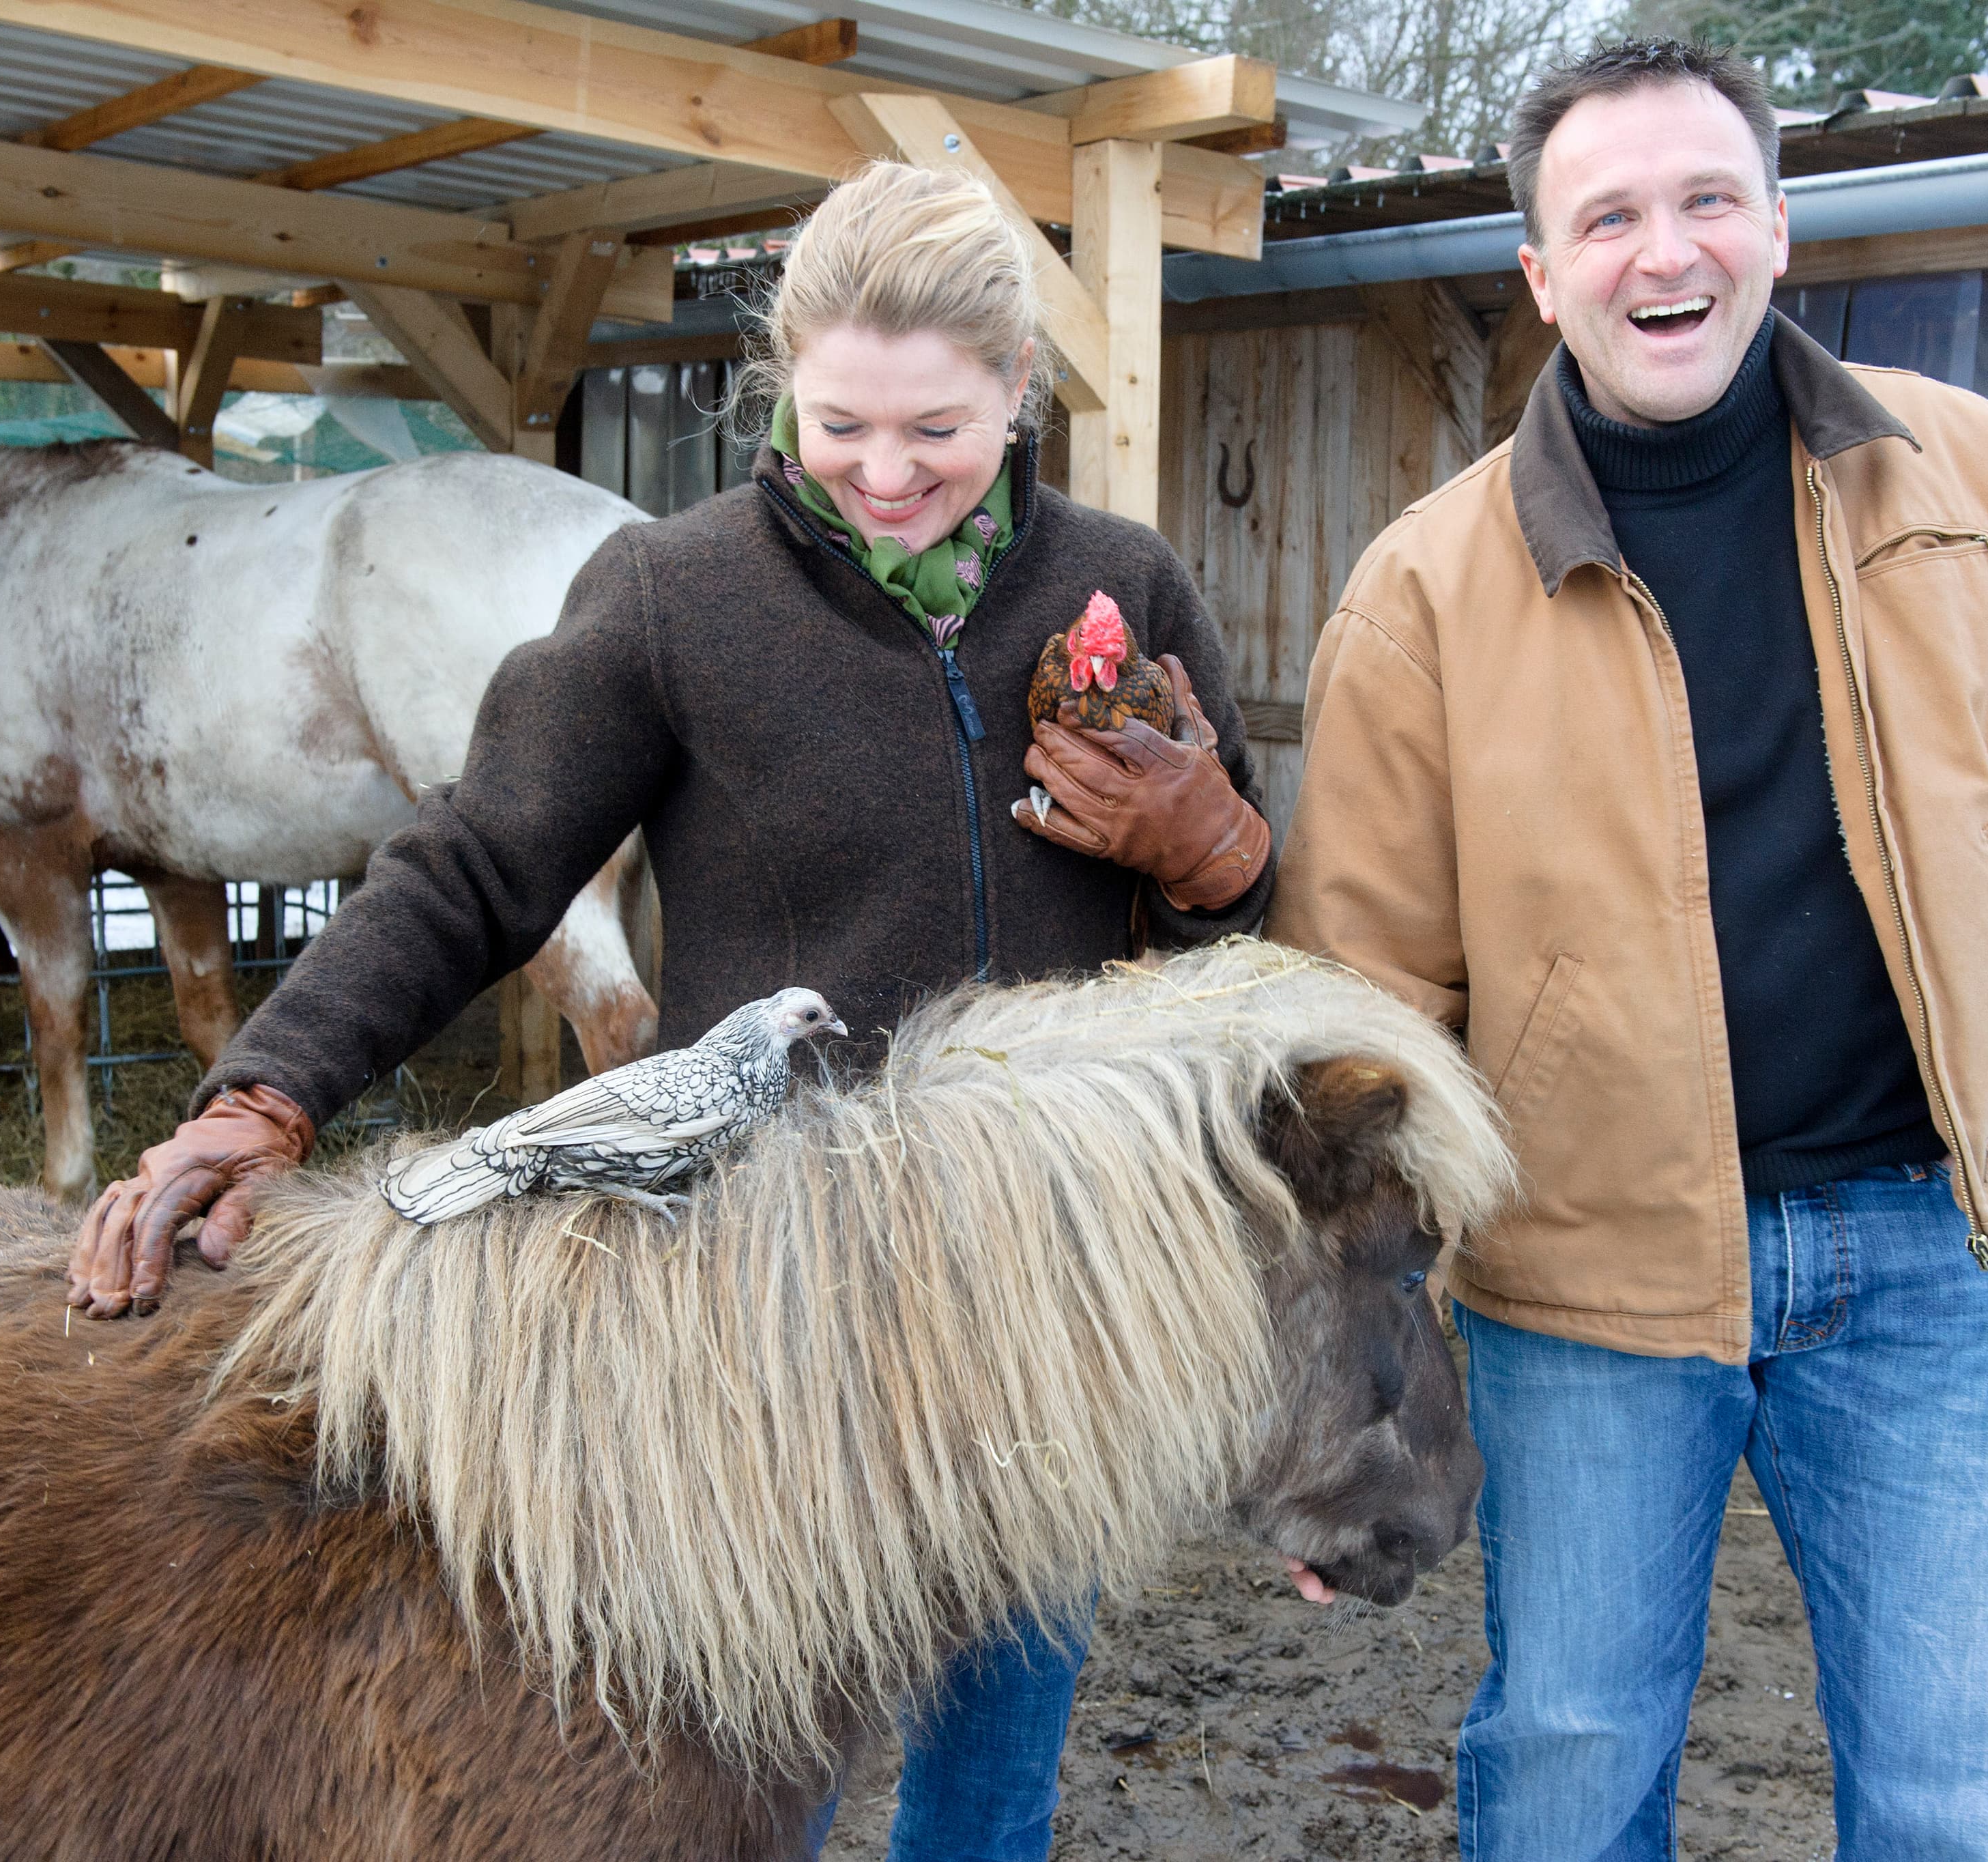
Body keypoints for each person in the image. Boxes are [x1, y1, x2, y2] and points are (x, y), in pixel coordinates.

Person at [64, 159, 1274, 1861]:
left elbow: (1238, 944)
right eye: (842, 425)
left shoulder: (1122, 583)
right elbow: (480, 863)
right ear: (784, 387)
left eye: (936, 429)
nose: (885, 475)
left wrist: (1216, 856)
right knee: (748, 1769)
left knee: (994, 1768)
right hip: (778, 1304)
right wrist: (268, 1090)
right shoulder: (677, 595)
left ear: (1019, 386)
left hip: (1043, 1289)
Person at [1267, 38, 1988, 1862]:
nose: (1664, 250)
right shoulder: (1426, 592)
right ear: (1544, 274)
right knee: (1567, 1775)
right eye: (1607, 216)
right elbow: (1362, 1016)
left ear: (1778, 227)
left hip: (1933, 1252)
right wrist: (1346, 1395)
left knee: (1963, 1798)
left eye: (1707, 198)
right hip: (1583, 1284)